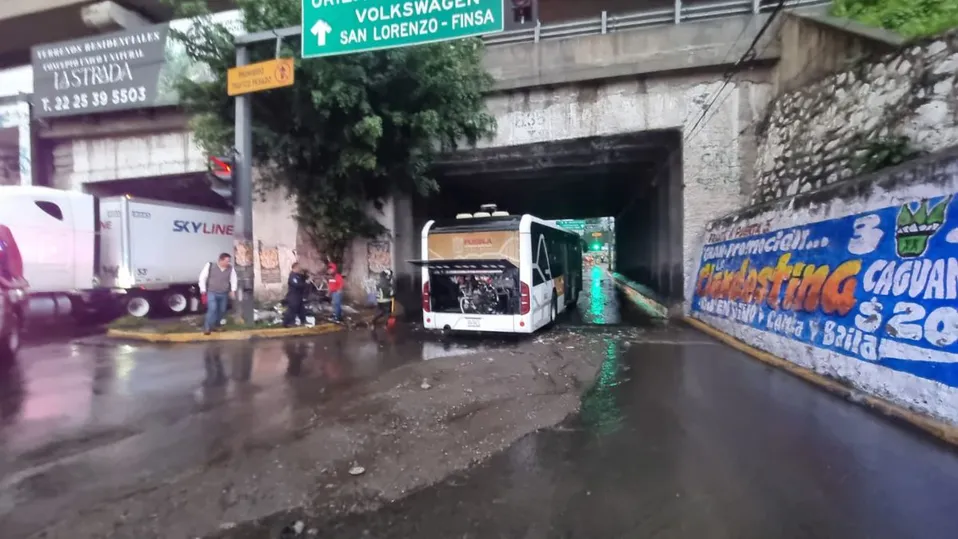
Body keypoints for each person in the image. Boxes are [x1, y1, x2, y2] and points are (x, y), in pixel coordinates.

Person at [199, 253, 238, 335]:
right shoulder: (210, 265)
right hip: (212, 292)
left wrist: (233, 290)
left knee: (222, 310)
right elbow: (202, 277)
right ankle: (207, 327)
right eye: (227, 261)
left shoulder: (230, 268)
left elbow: (233, 279)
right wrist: (203, 290)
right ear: (220, 260)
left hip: (223, 293)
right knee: (212, 308)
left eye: (229, 261)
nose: (228, 263)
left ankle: (216, 326)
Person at [282, 262, 309, 327]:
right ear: (295, 267)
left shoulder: (298, 275)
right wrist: (305, 284)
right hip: (293, 296)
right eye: (299, 267)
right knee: (292, 310)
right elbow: (297, 285)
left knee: (301, 309)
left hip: (299, 296)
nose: (300, 269)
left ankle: (303, 321)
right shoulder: (292, 276)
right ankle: (288, 323)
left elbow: (304, 278)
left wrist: (305, 274)